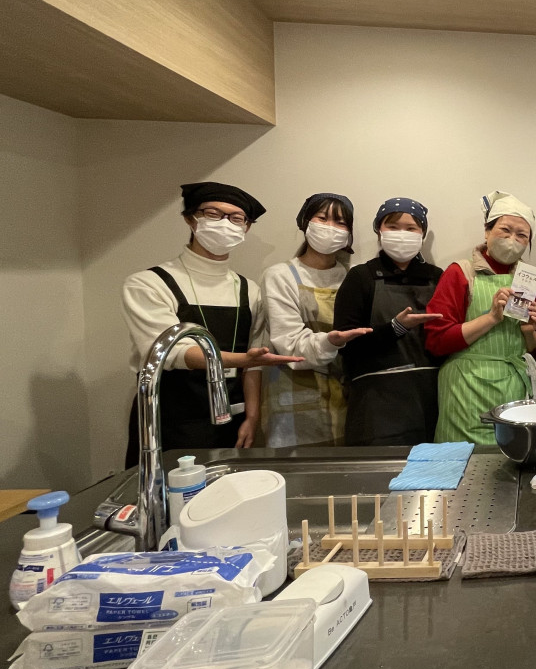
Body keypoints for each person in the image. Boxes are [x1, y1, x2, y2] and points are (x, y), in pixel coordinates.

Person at [121, 182, 301, 466]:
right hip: (169, 419)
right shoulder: (149, 283)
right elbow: (172, 352)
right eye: (213, 214)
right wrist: (241, 359)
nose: (225, 223)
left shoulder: (250, 290)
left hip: (232, 418)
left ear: (246, 228)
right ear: (190, 218)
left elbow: (253, 365)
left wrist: (253, 416)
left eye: (236, 218)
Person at [425, 191, 536, 444]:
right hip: (465, 389)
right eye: (505, 230)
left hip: (515, 390)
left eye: (522, 235)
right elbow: (436, 341)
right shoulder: (460, 273)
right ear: (487, 231)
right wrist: (491, 317)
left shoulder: (531, 281)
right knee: (463, 460)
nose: (512, 240)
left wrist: (529, 333)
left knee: (511, 456)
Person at [260, 193, 373, 447]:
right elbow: (289, 343)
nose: (330, 228)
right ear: (305, 222)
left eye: (340, 222)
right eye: (322, 218)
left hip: (346, 400)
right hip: (295, 400)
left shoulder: (353, 278)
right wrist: (331, 342)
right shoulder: (280, 276)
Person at [332, 198, 444, 446]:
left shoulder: (437, 278)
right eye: (393, 226)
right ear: (379, 230)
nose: (402, 234)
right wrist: (396, 328)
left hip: (431, 397)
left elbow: (448, 336)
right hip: (376, 405)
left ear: (422, 233)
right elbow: (346, 345)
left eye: (411, 228)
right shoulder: (361, 277)